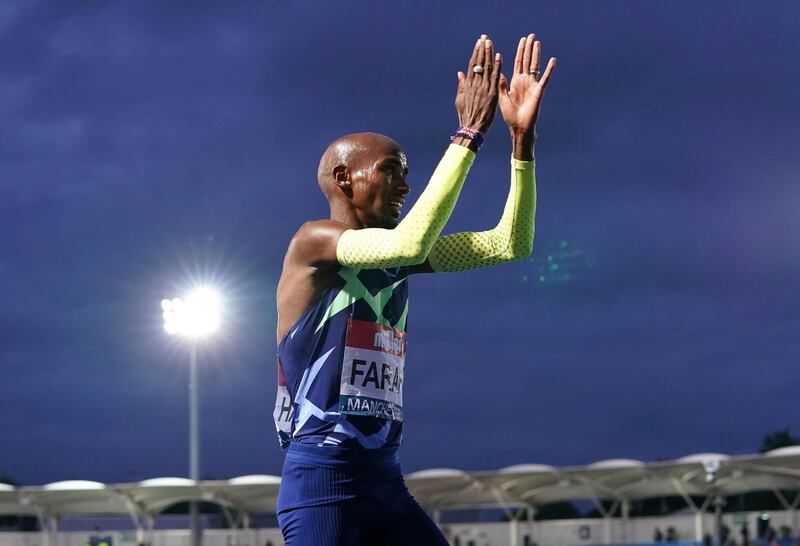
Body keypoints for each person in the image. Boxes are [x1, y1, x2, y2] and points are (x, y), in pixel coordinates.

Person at [273, 33, 556, 545]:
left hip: (385, 481)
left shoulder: (399, 258)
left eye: (406, 175)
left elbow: (508, 245)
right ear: (343, 177)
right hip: (322, 482)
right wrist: (468, 133)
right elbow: (408, 244)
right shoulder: (313, 243)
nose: (404, 186)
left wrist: (521, 143)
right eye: (391, 172)